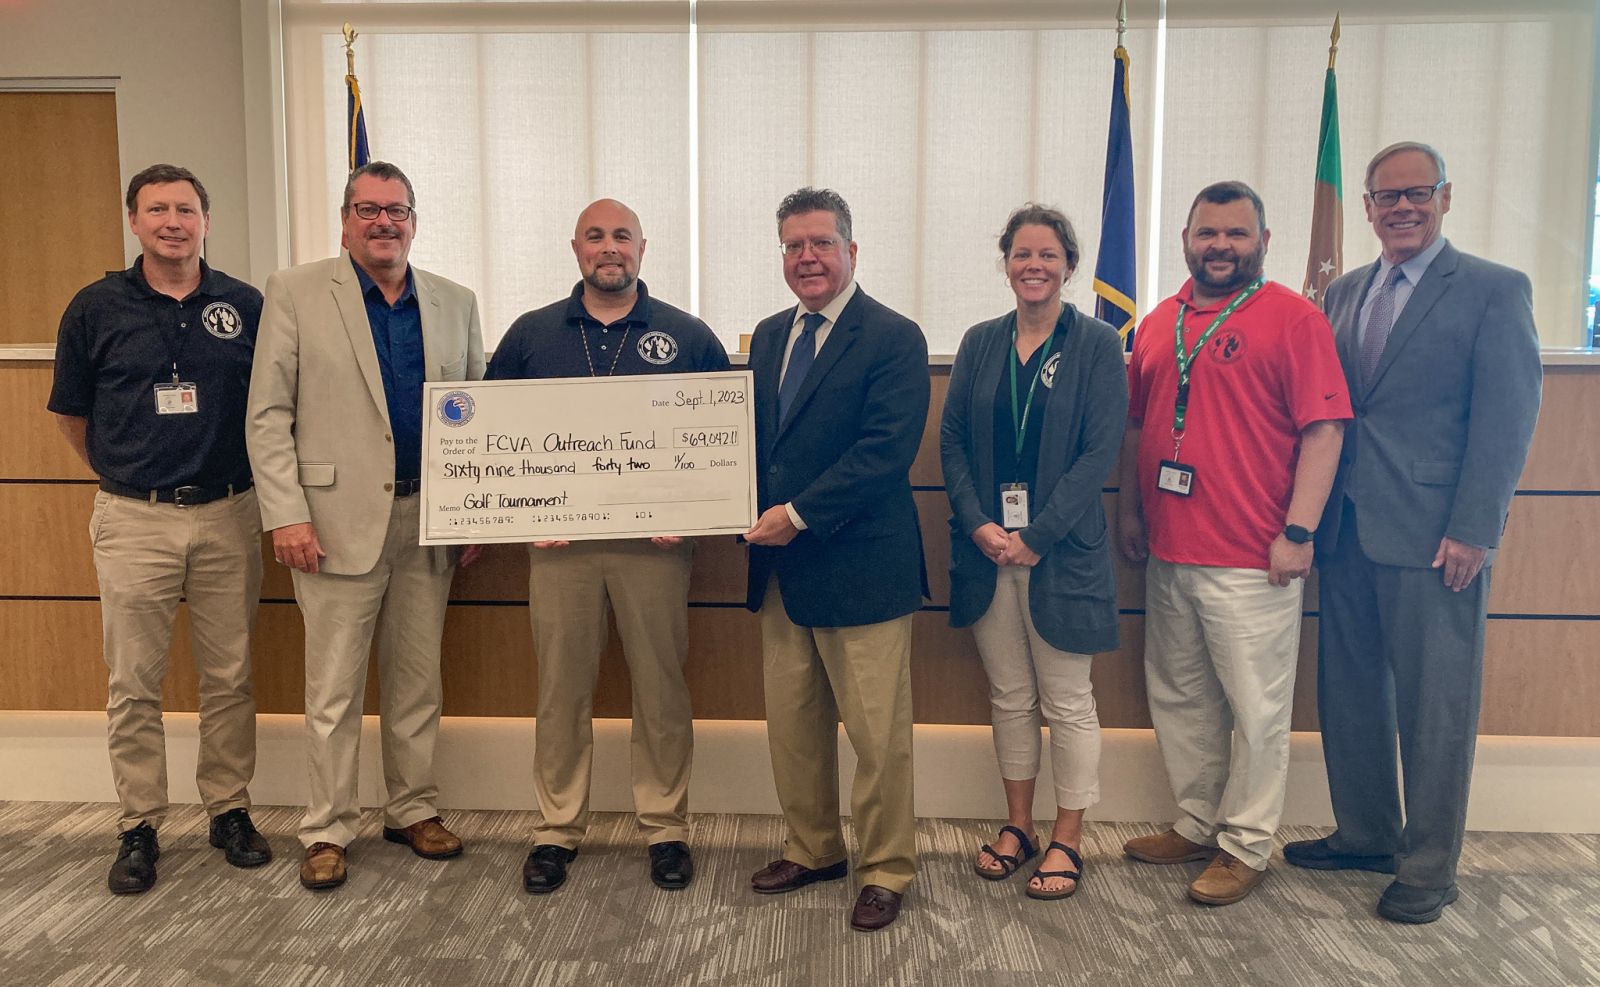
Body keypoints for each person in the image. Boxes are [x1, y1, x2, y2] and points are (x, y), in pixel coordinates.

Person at [1283, 142, 1542, 924]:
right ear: (1364, 207)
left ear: (1445, 197)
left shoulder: (1494, 290)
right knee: (1351, 694)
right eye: (1386, 196)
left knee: (1435, 707)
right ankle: (1367, 833)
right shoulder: (1345, 291)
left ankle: (1430, 865)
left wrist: (1475, 527)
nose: (1401, 207)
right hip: (1347, 528)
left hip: (1436, 539)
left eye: (1416, 193)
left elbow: (1508, 417)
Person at [246, 161, 486, 891]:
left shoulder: (455, 301)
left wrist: (474, 509)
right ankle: (325, 826)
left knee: (417, 680)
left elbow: (477, 412)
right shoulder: (294, 291)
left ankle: (412, 807)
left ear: (415, 219)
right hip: (329, 523)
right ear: (345, 220)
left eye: (398, 210)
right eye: (369, 209)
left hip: (430, 517)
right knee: (334, 688)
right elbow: (268, 414)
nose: (385, 222)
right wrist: (285, 512)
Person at [1115, 181, 1350, 906]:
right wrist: (1130, 512)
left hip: (1257, 558)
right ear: (1186, 239)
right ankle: (1195, 819)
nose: (1220, 246)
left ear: (1264, 242)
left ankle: (1245, 843)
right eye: (1208, 233)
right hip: (1170, 549)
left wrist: (1299, 531)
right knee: (1181, 696)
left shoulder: (1295, 319)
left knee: (1255, 710)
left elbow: (1326, 429)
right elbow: (1136, 428)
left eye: (1236, 234)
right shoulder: (1160, 322)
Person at [485, 199, 730, 895]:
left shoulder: (687, 336)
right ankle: (557, 828)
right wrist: (520, 511)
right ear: (575, 249)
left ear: (643, 247)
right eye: (595, 236)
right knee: (561, 689)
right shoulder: (532, 335)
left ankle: (666, 826)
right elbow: (492, 439)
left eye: (621, 235)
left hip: (655, 546)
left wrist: (695, 512)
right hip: (559, 547)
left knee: (661, 685)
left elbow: (725, 441)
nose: (609, 247)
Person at [49, 163, 271, 895]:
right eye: (157, 210)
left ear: (206, 221)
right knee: (134, 681)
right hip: (133, 516)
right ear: (135, 222)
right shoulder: (95, 307)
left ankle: (228, 809)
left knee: (230, 677)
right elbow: (71, 416)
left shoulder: (244, 305)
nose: (173, 221)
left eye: (186, 209)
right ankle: (139, 822)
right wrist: (131, 475)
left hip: (230, 513)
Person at [743, 187, 930, 931]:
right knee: (793, 727)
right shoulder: (765, 335)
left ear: (853, 250)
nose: (807, 257)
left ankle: (886, 866)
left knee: (878, 737)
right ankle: (814, 846)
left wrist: (796, 514)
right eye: (794, 245)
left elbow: (884, 452)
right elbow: (753, 446)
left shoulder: (893, 335)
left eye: (821, 242)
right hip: (783, 571)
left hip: (861, 567)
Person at [940, 204, 1127, 900]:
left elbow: (1098, 451)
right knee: (1011, 696)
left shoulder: (1099, 345)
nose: (1034, 266)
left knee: (1068, 700)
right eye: (1022, 254)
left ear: (1069, 266)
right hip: (988, 550)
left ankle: (1067, 836)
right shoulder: (981, 341)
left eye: (1048, 255)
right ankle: (1018, 826)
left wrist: (1038, 533)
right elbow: (953, 440)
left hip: (1061, 552)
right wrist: (979, 521)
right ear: (1006, 262)